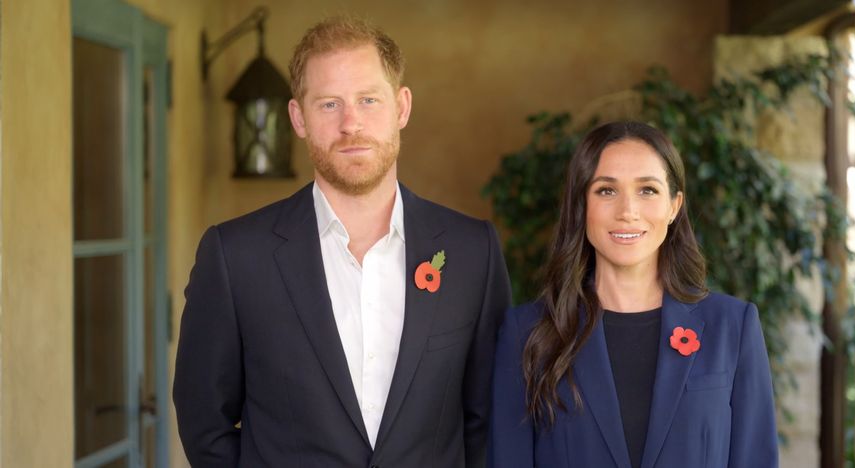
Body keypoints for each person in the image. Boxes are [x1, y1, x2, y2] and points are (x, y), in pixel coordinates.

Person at [174, 15, 511, 468]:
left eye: (369, 100)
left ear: (402, 107)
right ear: (298, 117)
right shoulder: (234, 257)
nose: (351, 123)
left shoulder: (474, 252)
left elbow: (487, 420)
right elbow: (204, 423)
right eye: (329, 104)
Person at [488, 121, 778, 468]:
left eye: (648, 190)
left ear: (674, 206)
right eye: (606, 191)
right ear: (582, 206)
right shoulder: (526, 334)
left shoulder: (732, 327)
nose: (628, 211)